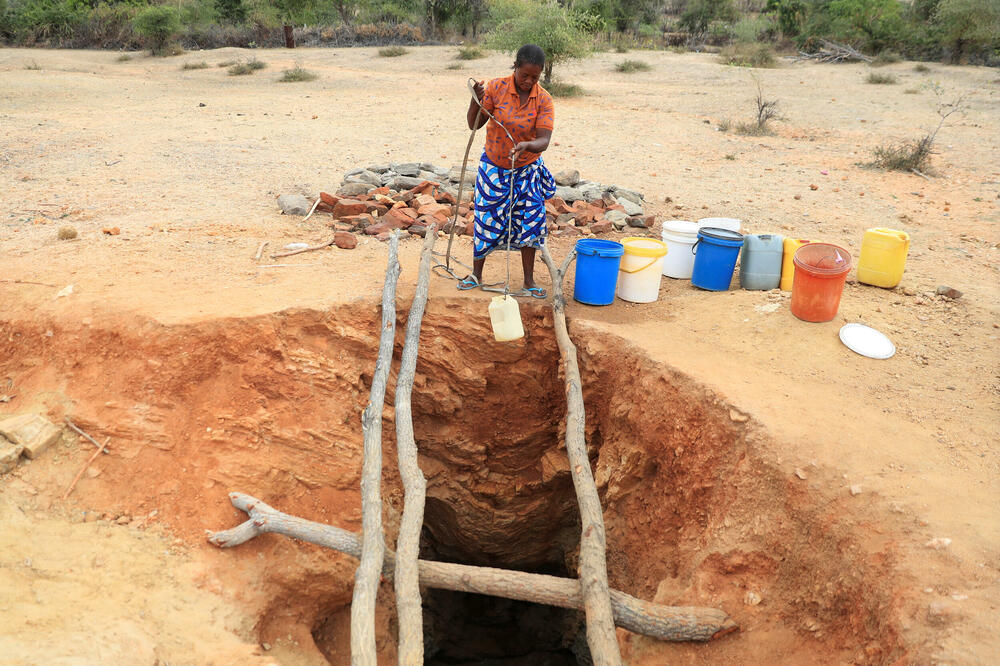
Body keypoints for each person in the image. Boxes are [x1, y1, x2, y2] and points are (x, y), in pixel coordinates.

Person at [458, 43, 556, 298]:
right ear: (515, 67)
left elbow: (544, 140)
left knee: (531, 223)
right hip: (494, 170)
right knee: (486, 220)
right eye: (525, 75)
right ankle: (476, 275)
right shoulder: (496, 88)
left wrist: (528, 146)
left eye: (535, 77)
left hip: (527, 171)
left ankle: (528, 281)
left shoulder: (543, 99)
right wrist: (476, 99)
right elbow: (475, 124)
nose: (529, 81)